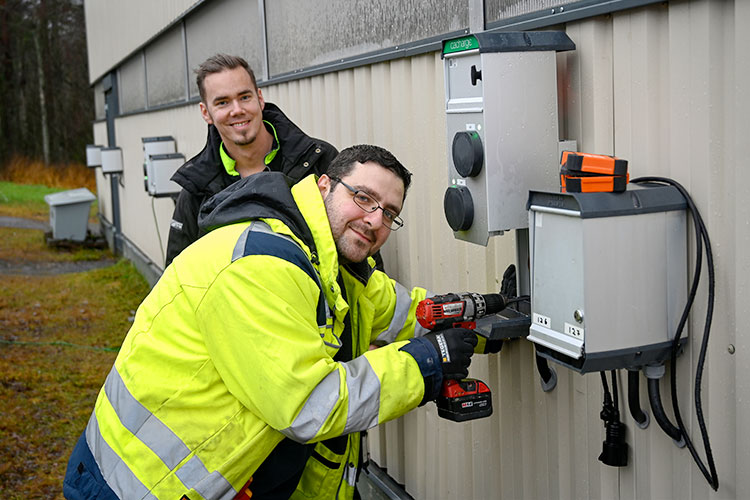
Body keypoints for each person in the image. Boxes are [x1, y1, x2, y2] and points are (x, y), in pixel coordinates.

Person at [63, 145, 483, 500]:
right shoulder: (263, 265)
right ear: (324, 186)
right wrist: (426, 363)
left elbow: (398, 309)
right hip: (137, 485)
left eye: (389, 213)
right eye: (363, 197)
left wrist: (478, 320)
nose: (375, 220)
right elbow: (309, 404)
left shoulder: (327, 259)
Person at [165, 53, 338, 267]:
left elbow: (356, 252)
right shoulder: (196, 188)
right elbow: (177, 272)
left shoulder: (317, 161)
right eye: (222, 102)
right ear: (206, 112)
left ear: (260, 98)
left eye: (244, 97)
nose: (237, 110)